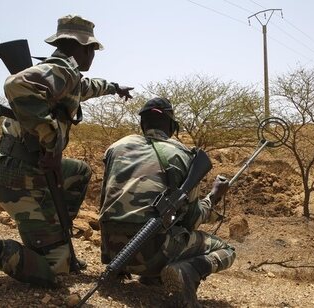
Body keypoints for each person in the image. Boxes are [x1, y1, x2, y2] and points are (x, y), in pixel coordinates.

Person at [0, 15, 133, 291]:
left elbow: (88, 87)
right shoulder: (63, 70)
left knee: (79, 172)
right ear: (81, 47)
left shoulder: (67, 74)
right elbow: (16, 85)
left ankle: (52, 234)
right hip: (19, 175)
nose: (93, 55)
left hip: (24, 165)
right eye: (92, 49)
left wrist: (115, 88)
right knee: (52, 272)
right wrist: (50, 140)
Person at [99, 97, 236, 307]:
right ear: (172, 126)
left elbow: (106, 202)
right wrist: (214, 196)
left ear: (142, 124)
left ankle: (149, 276)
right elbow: (192, 219)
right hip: (151, 253)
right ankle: (184, 271)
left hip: (114, 253)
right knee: (226, 250)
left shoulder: (115, 148)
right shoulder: (182, 155)